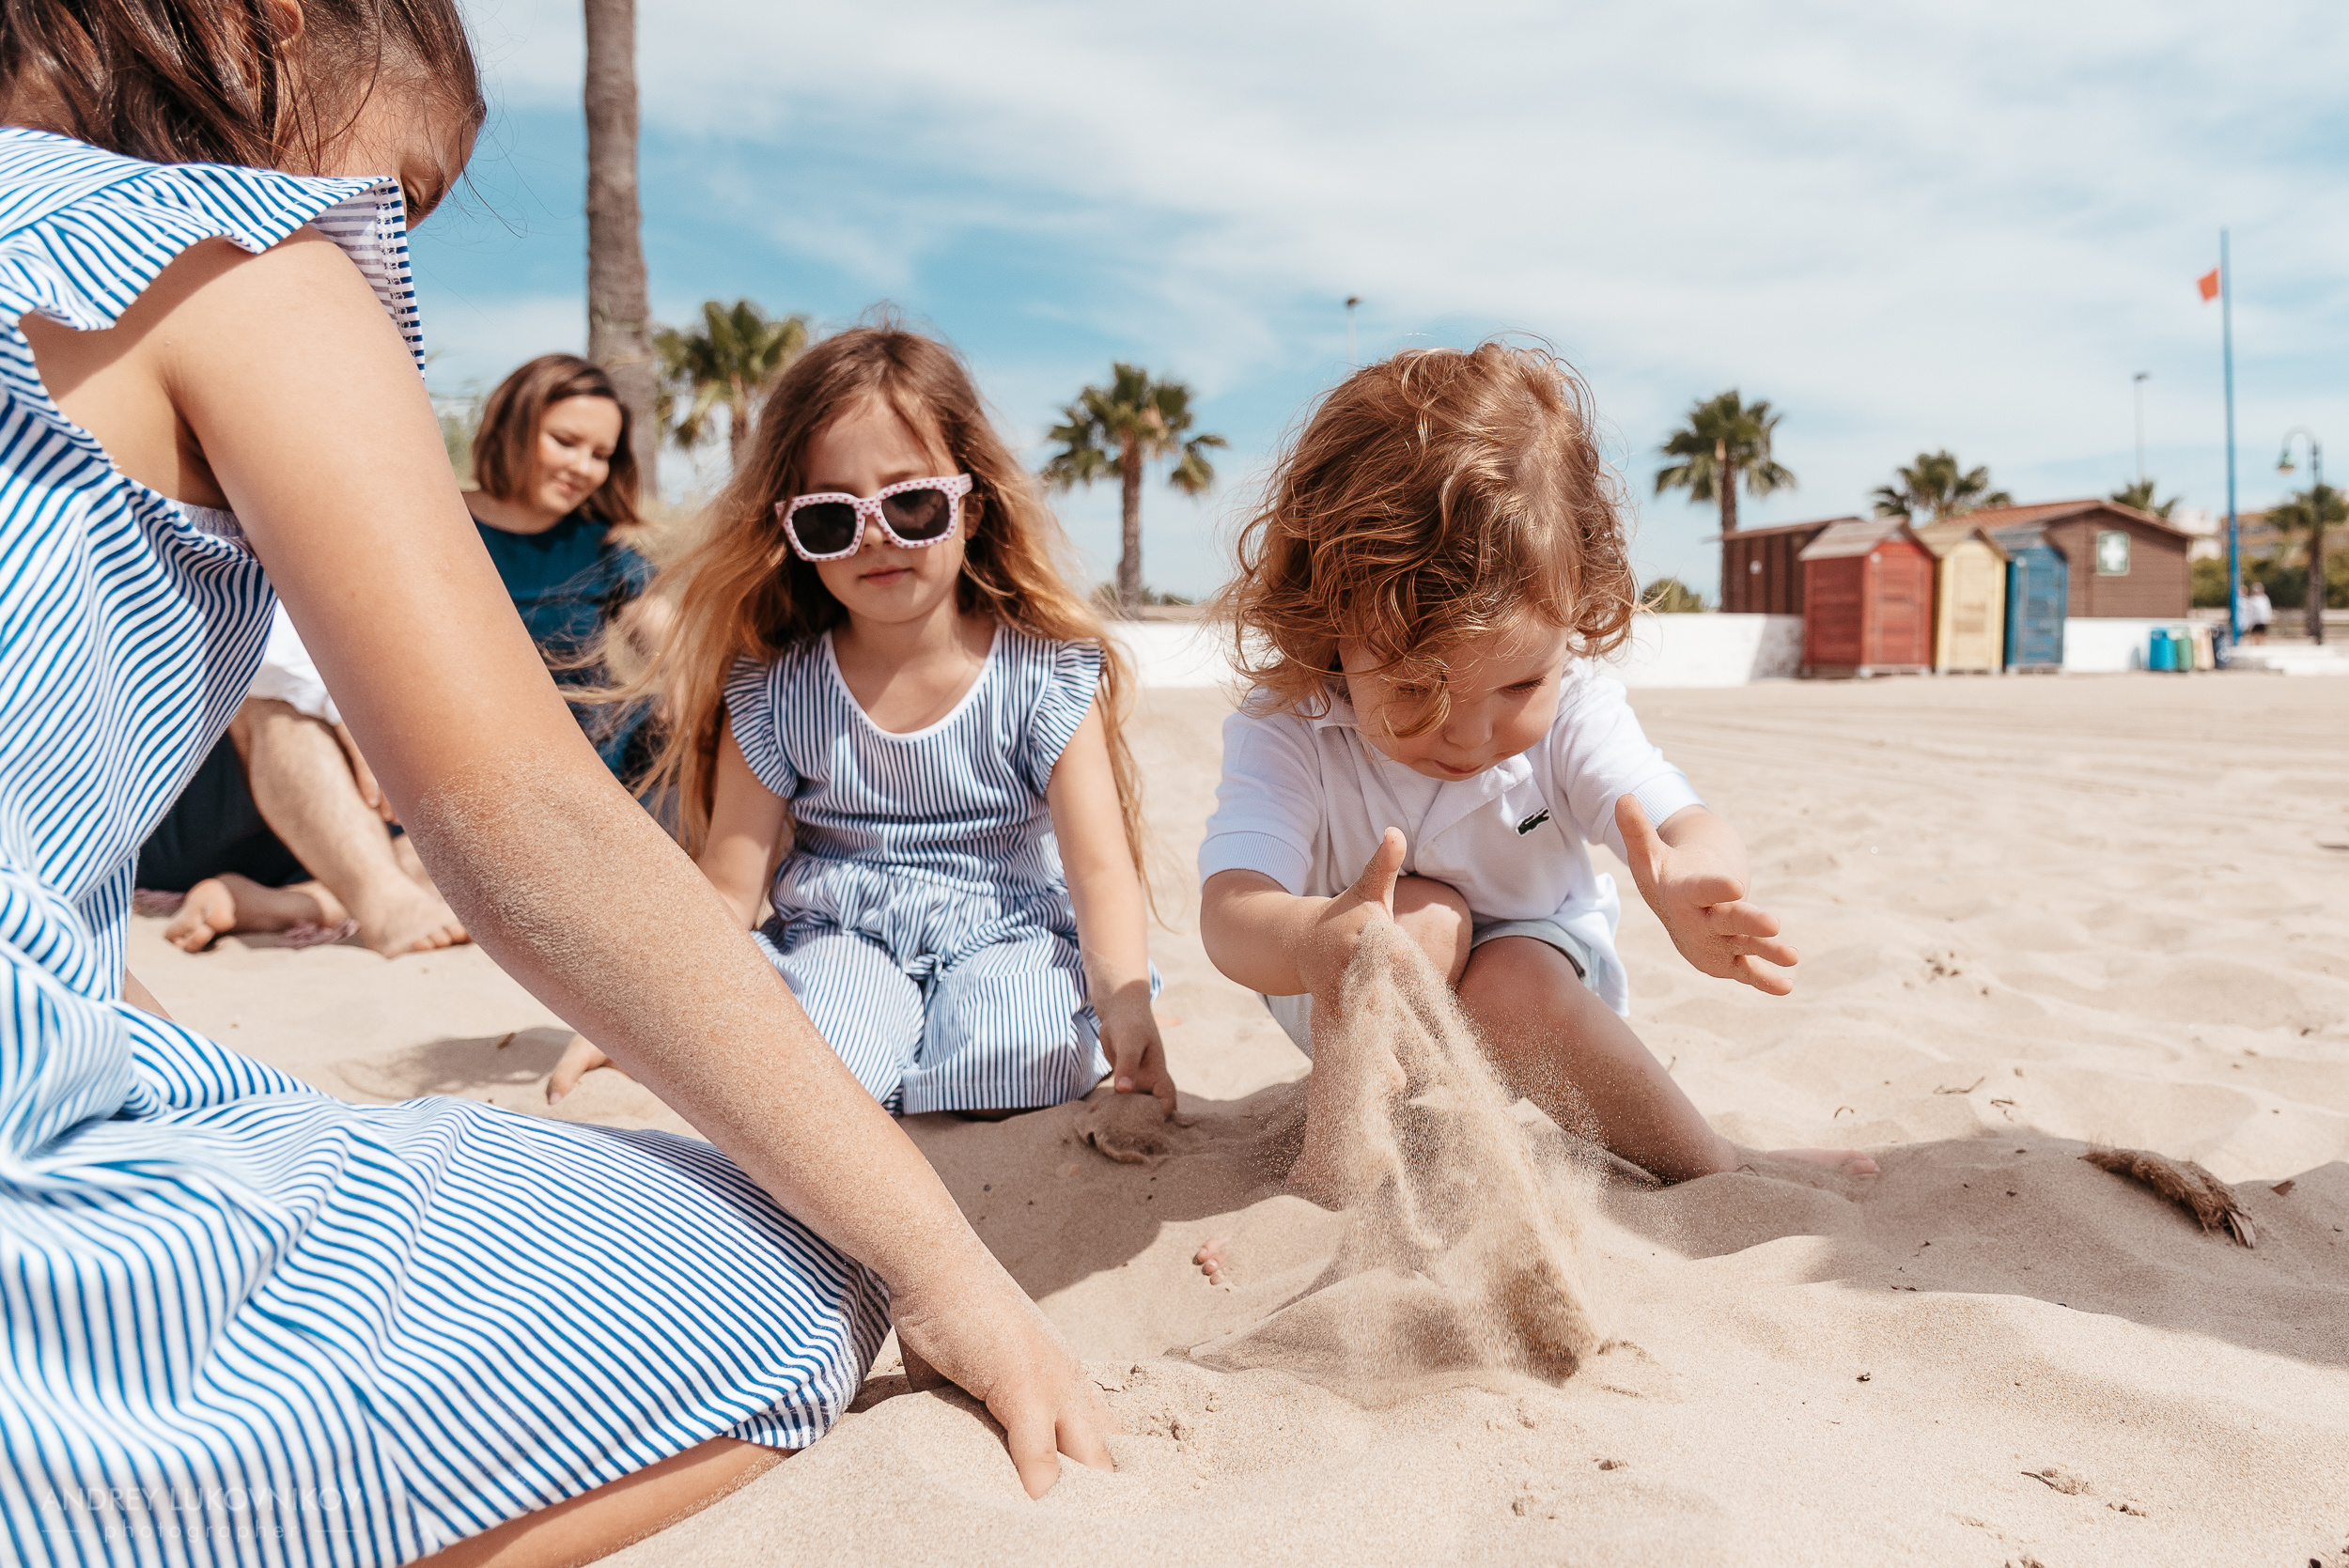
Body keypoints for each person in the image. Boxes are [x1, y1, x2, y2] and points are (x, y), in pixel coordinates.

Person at [0, 7, 1109, 1566]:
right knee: (801, 1255)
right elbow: (521, 822)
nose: (387, 251)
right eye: (405, 200)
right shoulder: (234, 262)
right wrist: (945, 1264)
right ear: (275, 25)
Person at [1194, 344, 1877, 1200]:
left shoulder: (1580, 710)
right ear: (1328, 622)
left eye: (1521, 683)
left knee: (1509, 985)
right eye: (1419, 687)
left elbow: (1680, 821)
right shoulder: (1291, 724)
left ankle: (1716, 1164)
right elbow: (1230, 907)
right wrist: (1310, 940)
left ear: (1577, 620)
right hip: (1338, 986)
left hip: (1540, 974)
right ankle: (1333, 1165)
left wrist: (1696, 876)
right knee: (1420, 918)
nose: (1474, 734)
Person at [548, 327, 1174, 1121]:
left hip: (1009, 931)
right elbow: (729, 886)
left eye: (912, 503)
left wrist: (1123, 999)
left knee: (1017, 1053)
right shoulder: (775, 690)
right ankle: (886, 1088)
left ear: (970, 507)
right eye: (831, 518)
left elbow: (1099, 871)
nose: (875, 534)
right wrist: (643, 1009)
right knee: (823, 1058)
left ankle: (934, 1080)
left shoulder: (1042, 674)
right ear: (792, 534)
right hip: (840, 937)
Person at [134, 603, 471, 955]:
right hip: (188, 799)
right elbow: (247, 646)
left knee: (492, 828)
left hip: (342, 826)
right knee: (271, 695)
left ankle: (290, 904)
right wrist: (344, 706)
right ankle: (388, 902)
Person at [463, 353, 666, 778]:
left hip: (588, 765)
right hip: (457, 759)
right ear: (512, 425)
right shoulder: (431, 522)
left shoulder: (602, 548)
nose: (584, 468)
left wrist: (685, 688)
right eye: (566, 441)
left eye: (601, 454)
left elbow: (674, 647)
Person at [2243, 577, 2273, 643]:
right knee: (2254, 633)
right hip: (2254, 619)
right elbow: (2249, 610)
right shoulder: (2252, 599)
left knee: (2262, 632)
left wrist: (2268, 617)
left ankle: (2261, 643)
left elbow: (2267, 608)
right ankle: (2255, 643)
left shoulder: (2264, 598)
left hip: (2262, 619)